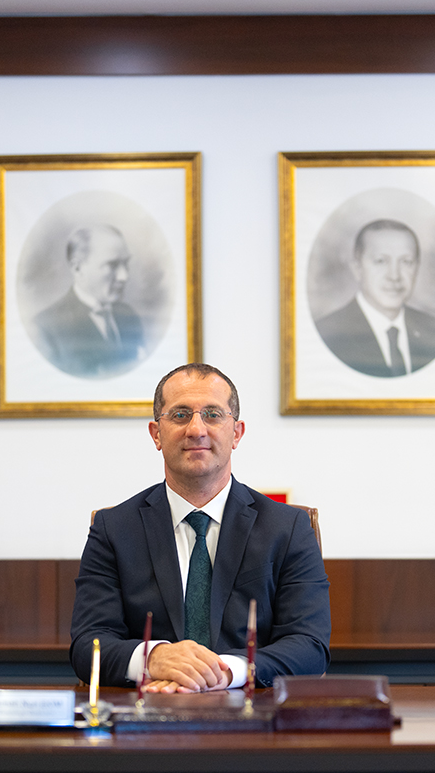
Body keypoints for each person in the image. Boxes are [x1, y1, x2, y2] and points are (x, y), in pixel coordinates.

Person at [70, 363, 330, 692]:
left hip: (253, 713)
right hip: (147, 712)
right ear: (156, 434)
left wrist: (225, 671)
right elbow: (88, 643)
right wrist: (153, 658)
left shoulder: (289, 528)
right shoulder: (114, 529)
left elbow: (309, 646)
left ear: (236, 433)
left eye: (213, 414)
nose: (196, 429)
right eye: (180, 415)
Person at [315, 218, 435, 377]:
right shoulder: (328, 334)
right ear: (357, 269)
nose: (394, 276)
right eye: (380, 261)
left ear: (417, 268)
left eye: (406, 262)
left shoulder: (434, 330)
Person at [31, 224, 145, 378]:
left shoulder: (129, 316)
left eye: (125, 263)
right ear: (78, 269)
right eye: (112, 265)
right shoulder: (45, 328)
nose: (124, 276)